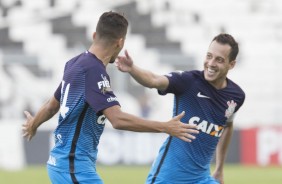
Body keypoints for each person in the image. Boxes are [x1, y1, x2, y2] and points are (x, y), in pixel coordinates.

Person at [22, 11, 199, 184]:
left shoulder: (74, 63)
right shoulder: (94, 72)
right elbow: (117, 119)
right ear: (120, 42)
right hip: (73, 167)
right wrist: (165, 127)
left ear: (94, 35)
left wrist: (33, 124)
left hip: (62, 164)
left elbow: (52, 106)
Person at [116, 33, 245, 184]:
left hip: (202, 179)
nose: (211, 63)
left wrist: (219, 169)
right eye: (209, 56)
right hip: (168, 178)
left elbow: (227, 126)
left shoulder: (236, 96)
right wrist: (132, 68)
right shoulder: (188, 81)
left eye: (219, 60)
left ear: (231, 64)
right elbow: (154, 80)